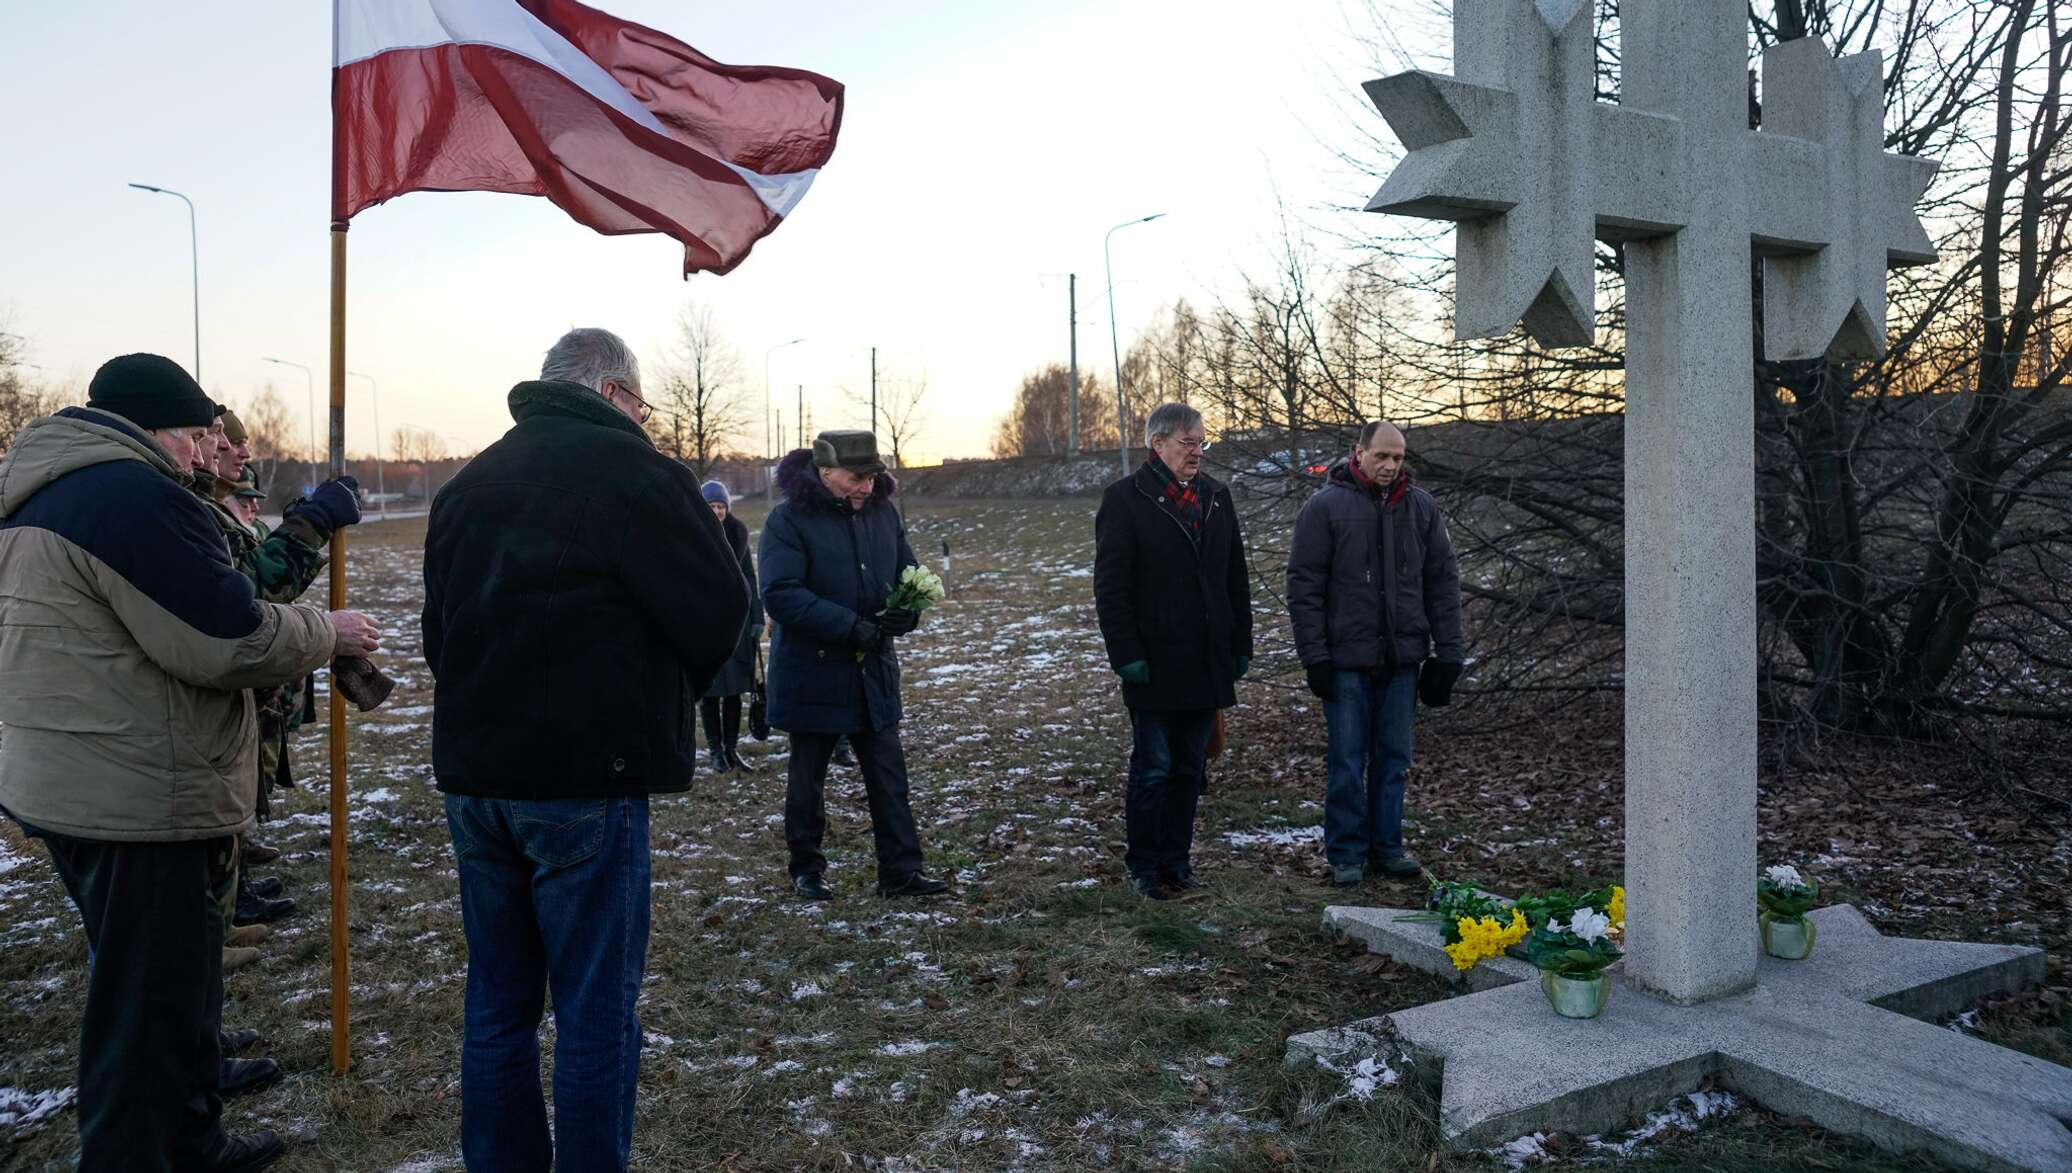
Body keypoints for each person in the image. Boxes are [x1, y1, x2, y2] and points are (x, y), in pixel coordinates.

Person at [0, 352, 381, 1172]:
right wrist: (329, 634)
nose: (207, 453)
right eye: (196, 435)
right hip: (136, 796)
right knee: (142, 1021)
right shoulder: (131, 496)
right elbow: (226, 634)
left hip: (78, 779)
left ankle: (191, 1142)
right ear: (155, 429)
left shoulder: (52, 489)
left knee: (168, 1001)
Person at [421, 328, 747, 1173]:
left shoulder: (468, 484)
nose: (643, 418)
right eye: (640, 403)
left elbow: (439, 636)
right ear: (610, 392)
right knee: (595, 1009)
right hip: (583, 782)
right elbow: (718, 612)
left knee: (497, 1001)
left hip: (477, 779)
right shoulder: (639, 475)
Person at [760, 430, 949, 902]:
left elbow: (908, 571)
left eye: (872, 476)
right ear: (824, 473)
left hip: (873, 672)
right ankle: (807, 869)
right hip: (814, 672)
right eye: (856, 477)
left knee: (889, 775)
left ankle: (902, 871)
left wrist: (909, 610)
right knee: (809, 779)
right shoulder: (788, 520)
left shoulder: (884, 514)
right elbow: (781, 593)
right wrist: (849, 627)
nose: (866, 486)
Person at [1286, 420, 1465, 886]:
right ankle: (1346, 853)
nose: (1389, 466)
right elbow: (1304, 587)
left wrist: (1449, 655)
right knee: (1346, 760)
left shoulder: (1422, 509)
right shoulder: (1325, 508)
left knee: (1393, 760)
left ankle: (1387, 848)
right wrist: (1315, 658)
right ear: (1358, 452)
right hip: (1345, 661)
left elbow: (1442, 584)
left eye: (1398, 458)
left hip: (1403, 659)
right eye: (1381, 456)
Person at [1093, 402, 1254, 901]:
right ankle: (1144, 864)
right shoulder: (1125, 499)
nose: (1197, 452)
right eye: (1188, 443)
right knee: (1154, 767)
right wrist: (1126, 653)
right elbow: (1111, 587)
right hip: (1154, 662)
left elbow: (1235, 579)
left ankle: (1176, 861)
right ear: (1157, 444)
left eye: (1201, 443)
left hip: (1206, 659)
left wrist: (1239, 643)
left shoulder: (1216, 497)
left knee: (1190, 768)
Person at [699, 480, 765, 773]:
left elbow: (750, 577)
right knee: (711, 692)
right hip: (706, 626)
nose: (717, 511)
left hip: (737, 625)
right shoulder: (692, 533)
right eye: (712, 506)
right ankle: (714, 752)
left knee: (736, 690)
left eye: (721, 506)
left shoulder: (738, 533)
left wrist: (757, 618)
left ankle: (731, 749)